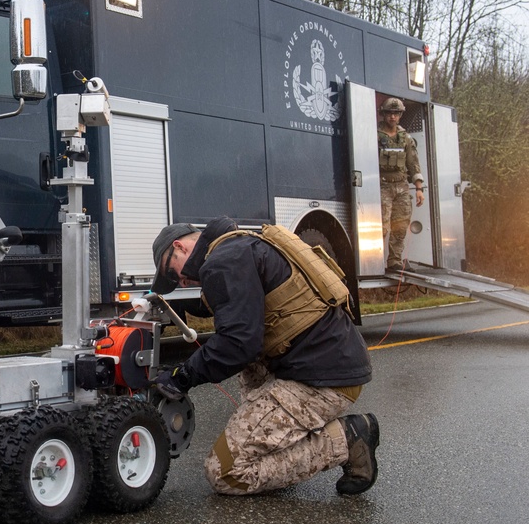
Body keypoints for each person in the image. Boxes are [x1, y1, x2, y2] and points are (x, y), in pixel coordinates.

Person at [149, 217, 378, 496]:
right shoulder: (236, 245)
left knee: (225, 472)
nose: (179, 281)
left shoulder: (224, 260)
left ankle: (348, 438)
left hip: (323, 379)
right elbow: (233, 305)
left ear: (180, 247)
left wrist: (181, 376)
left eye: (172, 273)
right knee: (248, 362)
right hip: (328, 359)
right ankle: (279, 435)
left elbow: (237, 343)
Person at [377, 97, 424, 273]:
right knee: (381, 226)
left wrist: (419, 189)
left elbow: (413, 164)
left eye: (396, 114)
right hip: (382, 186)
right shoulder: (376, 135)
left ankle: (395, 261)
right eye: (390, 113)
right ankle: (375, 261)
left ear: (400, 115)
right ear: (384, 114)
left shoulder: (405, 138)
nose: (393, 117)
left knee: (401, 226)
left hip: (402, 186)